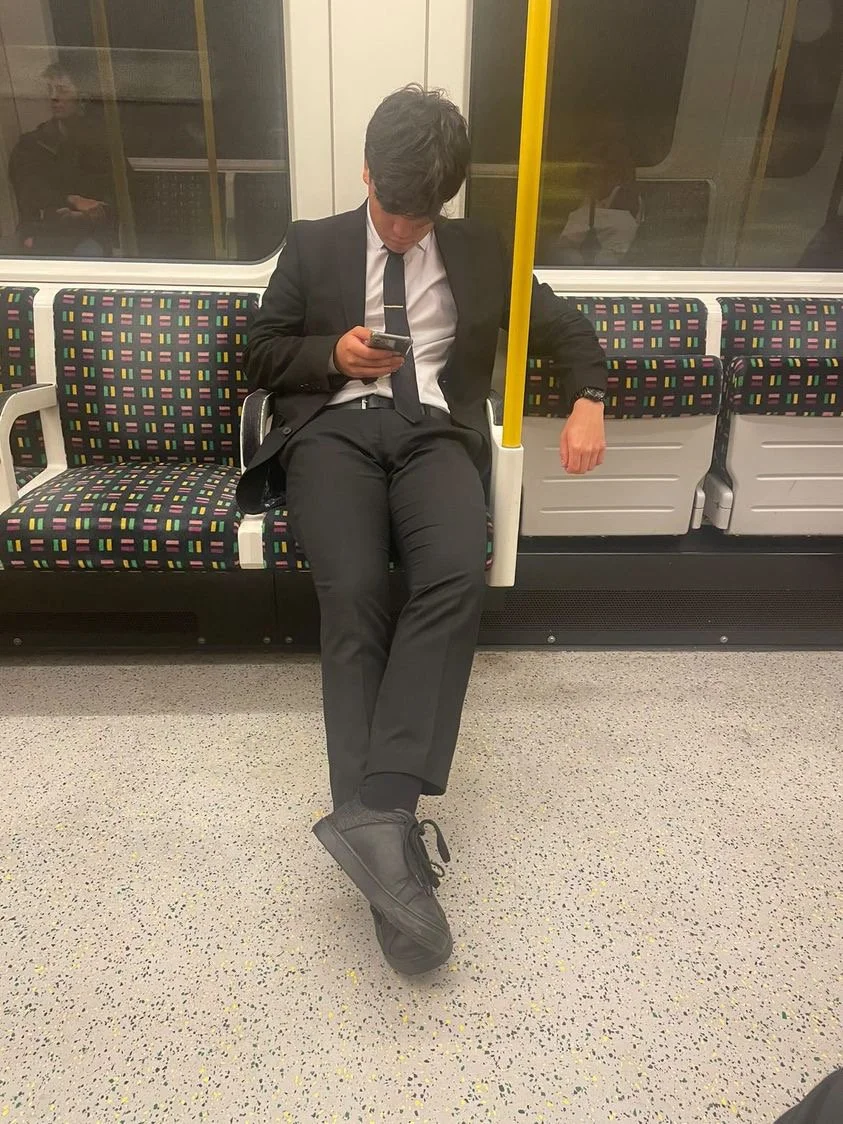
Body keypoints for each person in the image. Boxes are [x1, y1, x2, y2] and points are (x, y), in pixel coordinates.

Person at [236, 85, 608, 975]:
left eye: (422, 216)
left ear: (447, 198)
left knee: (453, 573)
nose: (403, 232)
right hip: (331, 430)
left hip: (433, 431)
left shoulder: (483, 250)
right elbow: (254, 353)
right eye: (391, 212)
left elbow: (563, 329)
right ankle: (387, 845)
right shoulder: (313, 242)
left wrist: (588, 397)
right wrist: (333, 355)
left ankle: (380, 815)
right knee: (355, 591)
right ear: (365, 175)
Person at [8, 62, 115, 256]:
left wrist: (95, 212)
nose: (54, 97)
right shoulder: (31, 145)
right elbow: (29, 193)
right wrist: (72, 200)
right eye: (49, 90)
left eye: (62, 90)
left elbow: (119, 193)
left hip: (90, 236)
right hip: (43, 236)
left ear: (82, 96)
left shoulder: (102, 143)